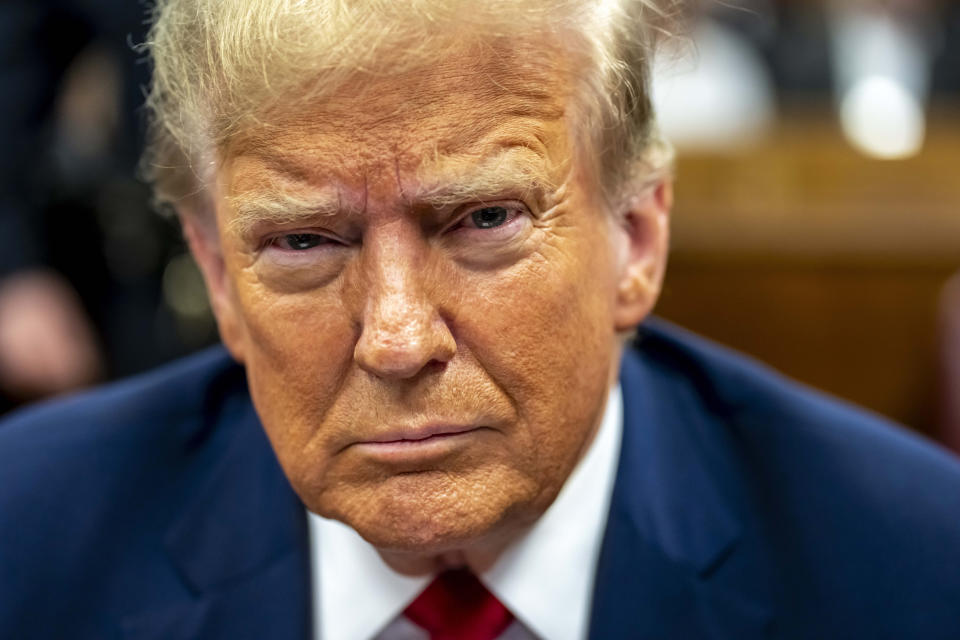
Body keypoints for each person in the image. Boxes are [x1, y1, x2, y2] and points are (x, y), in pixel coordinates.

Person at [2, 1, 959, 638]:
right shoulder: (28, 542)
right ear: (216, 274)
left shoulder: (911, 569)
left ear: (635, 238)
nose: (397, 337)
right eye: (302, 242)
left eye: (484, 220)